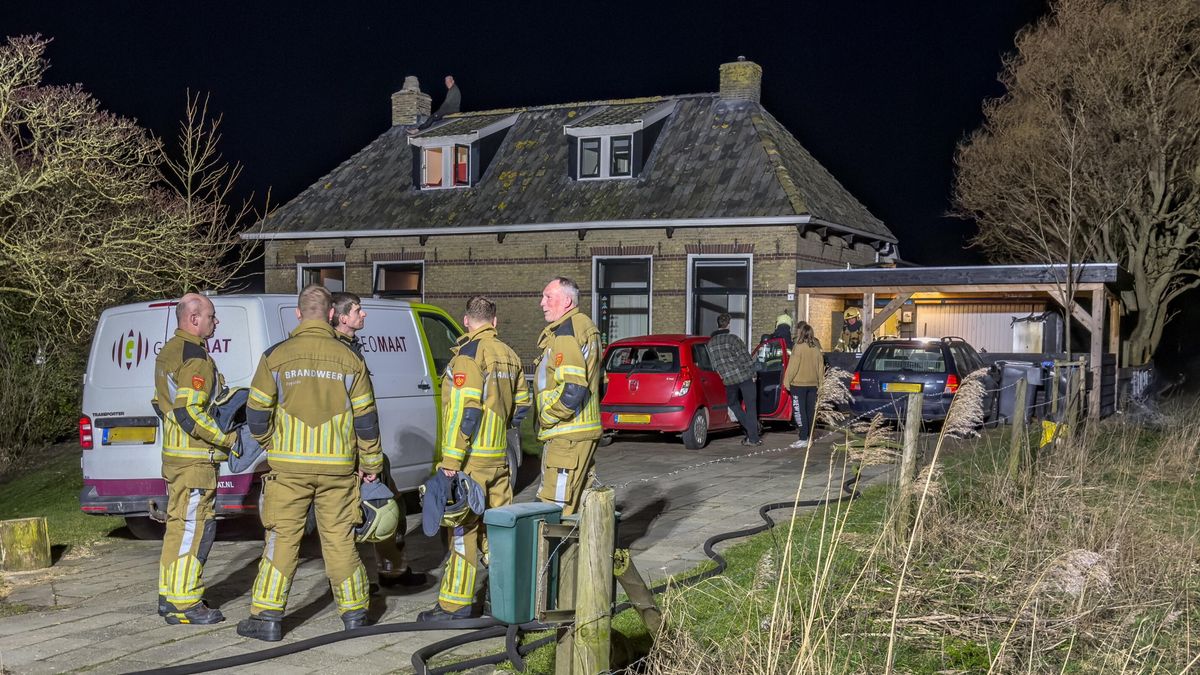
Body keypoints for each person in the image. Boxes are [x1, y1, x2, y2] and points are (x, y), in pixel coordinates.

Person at [237, 285, 383, 642]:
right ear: (331, 315)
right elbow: (367, 419)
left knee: (282, 538)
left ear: (298, 314)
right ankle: (355, 614)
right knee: (340, 539)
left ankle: (267, 616)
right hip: (338, 469)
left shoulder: (276, 356)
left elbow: (255, 412)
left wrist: (270, 443)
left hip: (288, 470)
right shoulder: (351, 359)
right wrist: (372, 463)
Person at [417, 295, 530, 622]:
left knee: (463, 532)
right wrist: (501, 431)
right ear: (494, 321)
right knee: (499, 531)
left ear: (466, 321)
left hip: (469, 462)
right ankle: (503, 600)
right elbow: (522, 406)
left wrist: (451, 462)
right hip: (498, 458)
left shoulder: (468, 356)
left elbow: (467, 411)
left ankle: (456, 606)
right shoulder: (510, 355)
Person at [330, 292, 424, 588]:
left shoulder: (352, 347)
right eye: (358, 310)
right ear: (343, 317)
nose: (364, 315)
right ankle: (356, 579)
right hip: (351, 451)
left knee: (391, 504)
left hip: (368, 448)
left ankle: (393, 570)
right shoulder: (336, 351)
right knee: (354, 517)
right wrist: (359, 457)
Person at [153, 293, 235, 625]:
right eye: (212, 317)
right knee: (196, 529)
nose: (216, 322)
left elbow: (160, 403)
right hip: (195, 461)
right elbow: (190, 411)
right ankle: (185, 603)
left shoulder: (168, 352)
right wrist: (226, 439)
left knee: (177, 527)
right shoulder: (196, 358)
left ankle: (169, 594)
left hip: (175, 458)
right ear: (195, 319)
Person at [534, 277, 602, 517]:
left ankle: (556, 556)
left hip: (567, 436)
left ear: (567, 301)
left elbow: (573, 389)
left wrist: (547, 416)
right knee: (577, 508)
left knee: (555, 509)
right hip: (580, 433)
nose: (542, 303)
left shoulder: (566, 333)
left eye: (548, 297)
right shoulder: (585, 326)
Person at [708, 313, 762, 446]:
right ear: (729, 324)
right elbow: (746, 359)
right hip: (745, 377)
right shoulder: (733, 339)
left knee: (732, 404)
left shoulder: (710, 344)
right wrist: (754, 374)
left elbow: (714, 365)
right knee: (751, 408)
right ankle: (753, 437)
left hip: (728, 380)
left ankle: (751, 432)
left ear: (717, 324)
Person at [783, 321, 825, 449]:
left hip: (798, 385)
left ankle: (802, 438)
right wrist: (821, 385)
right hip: (813, 385)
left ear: (801, 333)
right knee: (810, 412)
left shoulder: (798, 347)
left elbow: (793, 367)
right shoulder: (816, 349)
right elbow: (820, 369)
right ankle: (809, 437)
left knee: (799, 412)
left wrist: (786, 382)